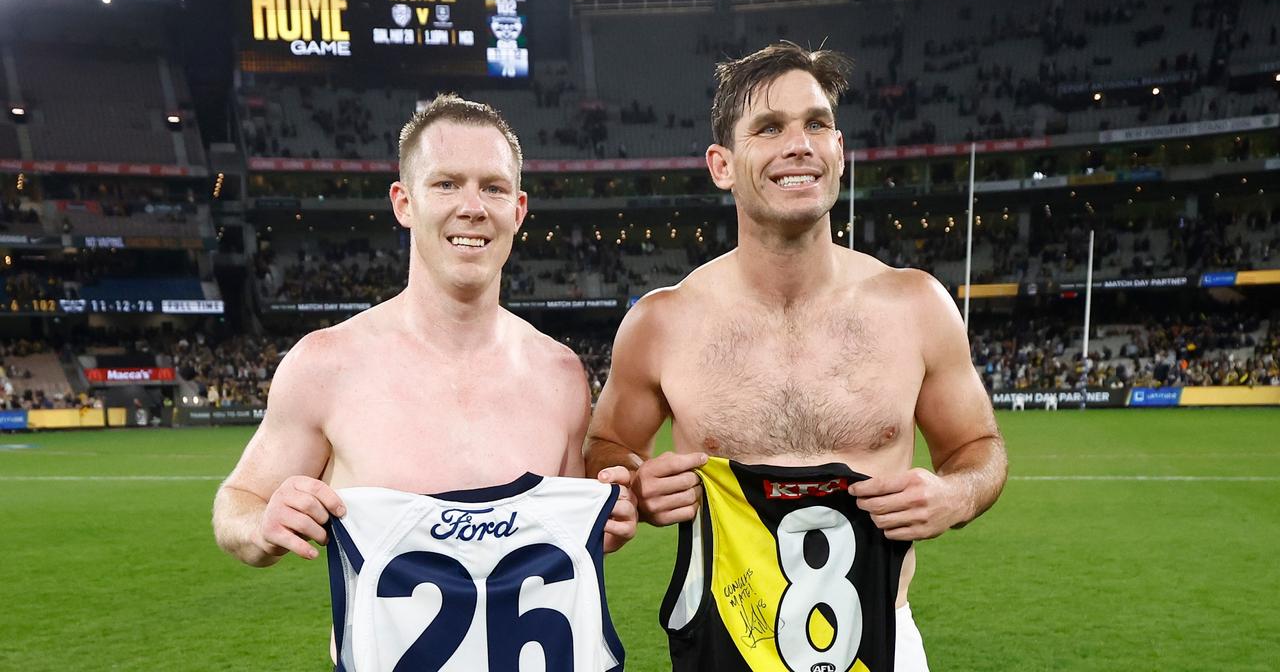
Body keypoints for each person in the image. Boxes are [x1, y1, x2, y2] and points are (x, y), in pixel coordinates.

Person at [586, 42, 1007, 670]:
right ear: (721, 164)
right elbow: (606, 448)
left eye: (817, 123)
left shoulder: (916, 305)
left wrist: (956, 496)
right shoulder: (662, 323)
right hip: (724, 640)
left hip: (884, 639)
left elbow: (979, 448)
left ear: (838, 150)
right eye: (769, 128)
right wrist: (636, 486)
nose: (799, 144)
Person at [212, 94, 635, 664]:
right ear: (404, 202)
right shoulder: (326, 365)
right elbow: (235, 503)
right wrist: (264, 524)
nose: (472, 207)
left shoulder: (560, 375)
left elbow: (558, 552)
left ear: (519, 208)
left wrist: (604, 527)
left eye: (493, 187)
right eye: (446, 184)